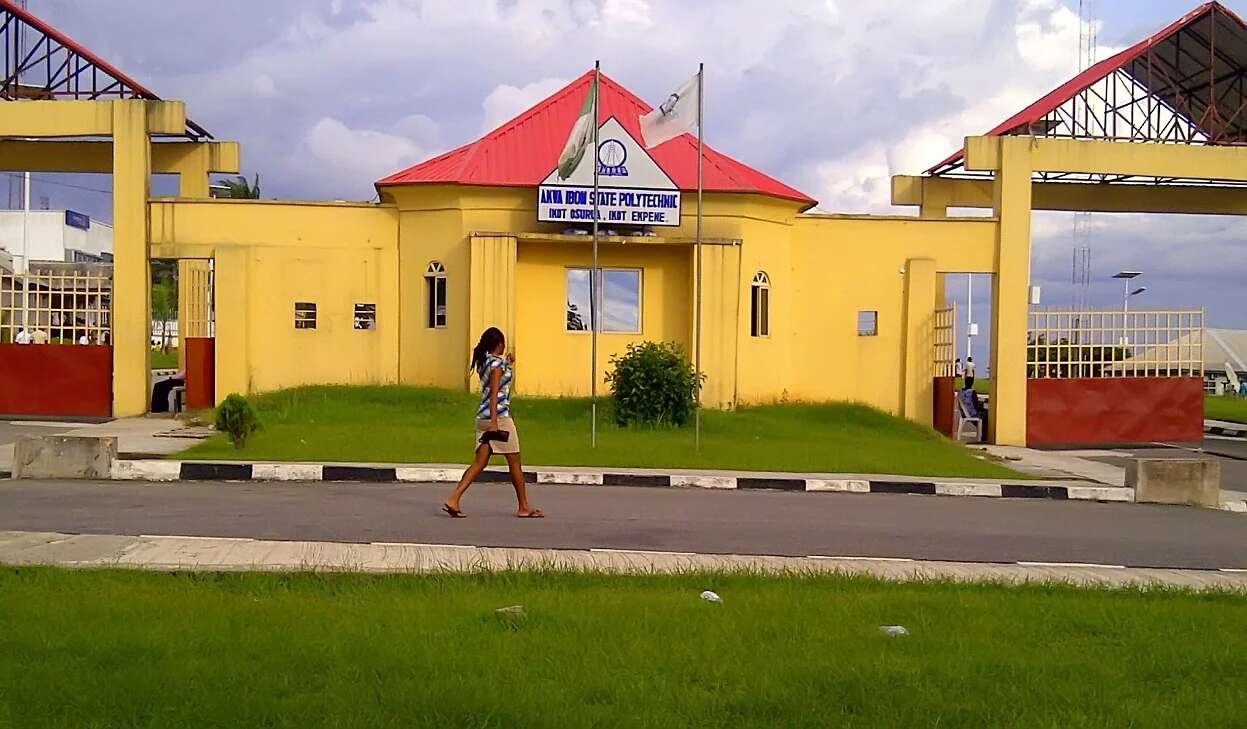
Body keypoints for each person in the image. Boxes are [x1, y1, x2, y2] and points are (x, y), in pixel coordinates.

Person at [442, 327, 543, 519]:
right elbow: (496, 392)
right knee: (515, 463)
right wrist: (495, 422)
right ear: (500, 344)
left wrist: (509, 365)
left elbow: (496, 382)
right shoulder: (497, 365)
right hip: (499, 418)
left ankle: (453, 499)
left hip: (482, 418)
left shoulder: (486, 362)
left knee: (479, 463)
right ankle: (524, 506)